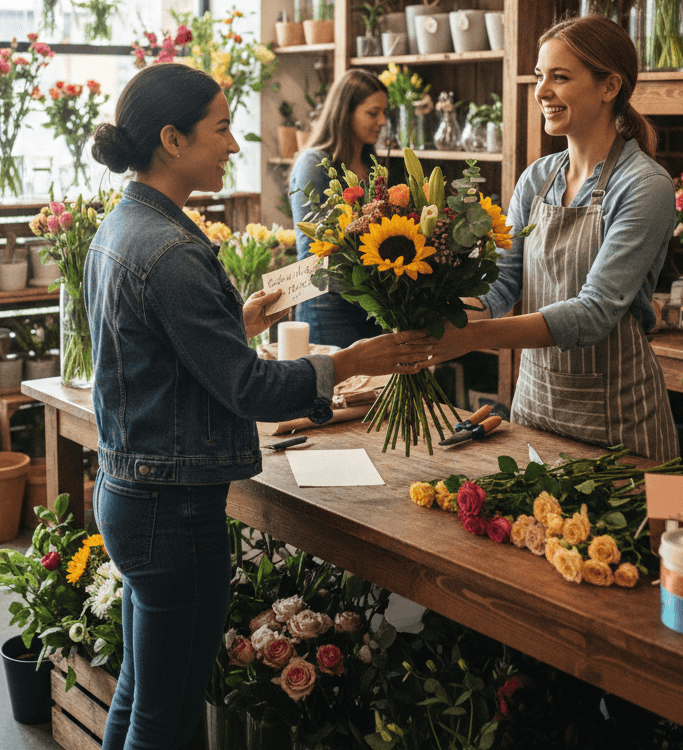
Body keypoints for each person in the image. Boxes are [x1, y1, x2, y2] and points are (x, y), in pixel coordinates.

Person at [83, 62, 433, 750]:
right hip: (173, 512)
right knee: (166, 717)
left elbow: (152, 349)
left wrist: (231, 323)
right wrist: (356, 360)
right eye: (221, 128)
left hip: (135, 492)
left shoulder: (123, 227)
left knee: (140, 699)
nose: (235, 144)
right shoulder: (174, 251)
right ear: (172, 140)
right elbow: (251, 390)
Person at [421, 16, 679, 460]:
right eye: (541, 76)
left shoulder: (645, 186)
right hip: (535, 409)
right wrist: (437, 314)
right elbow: (503, 285)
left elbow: (595, 312)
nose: (541, 91)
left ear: (609, 86)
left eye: (560, 77)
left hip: (617, 424)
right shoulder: (537, 178)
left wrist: (465, 339)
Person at [289, 68, 389, 346]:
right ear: (345, 112)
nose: (382, 121)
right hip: (327, 304)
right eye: (372, 113)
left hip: (373, 303)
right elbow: (318, 243)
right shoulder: (314, 164)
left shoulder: (374, 167)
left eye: (384, 113)